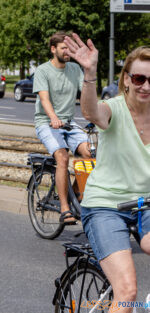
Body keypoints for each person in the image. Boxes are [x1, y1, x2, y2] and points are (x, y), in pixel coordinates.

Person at [64, 33, 150, 313]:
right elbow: (91, 112)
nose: (146, 86)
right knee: (127, 292)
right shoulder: (114, 109)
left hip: (145, 204)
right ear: (126, 79)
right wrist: (89, 73)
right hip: (105, 205)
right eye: (139, 79)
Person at [33, 31, 91, 223]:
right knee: (63, 157)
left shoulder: (75, 69)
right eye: (64, 48)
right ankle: (65, 208)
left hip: (69, 122)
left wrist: (96, 115)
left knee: (89, 154)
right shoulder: (43, 70)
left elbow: (86, 94)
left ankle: (75, 192)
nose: (68, 52)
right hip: (46, 122)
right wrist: (53, 118)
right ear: (53, 49)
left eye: (69, 48)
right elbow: (44, 98)